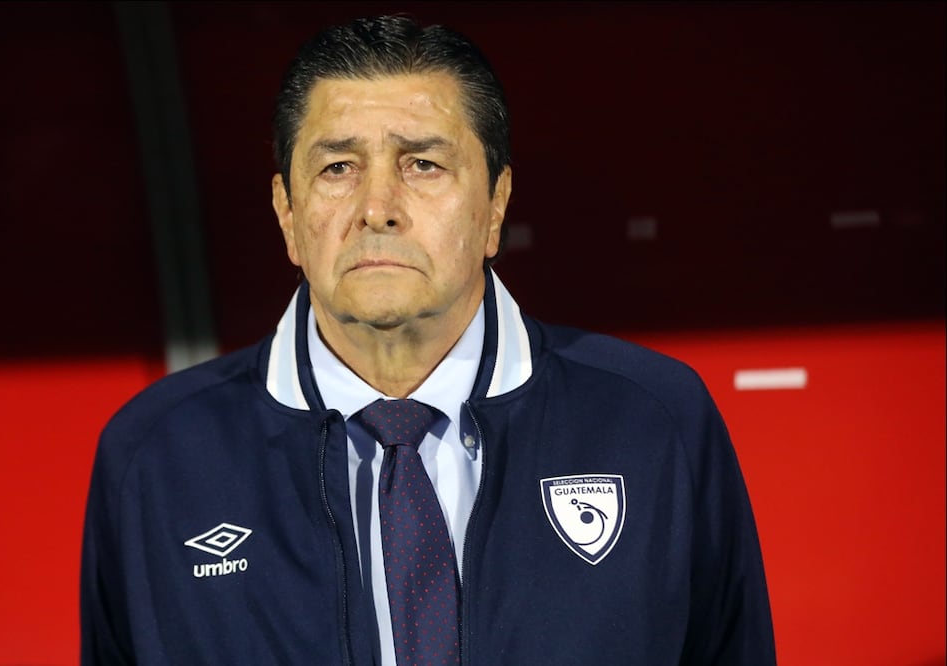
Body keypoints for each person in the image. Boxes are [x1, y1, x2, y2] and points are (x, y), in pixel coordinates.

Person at [80, 14, 776, 665]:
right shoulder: (156, 456)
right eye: (337, 168)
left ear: (495, 204)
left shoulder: (653, 419)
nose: (377, 208)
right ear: (287, 213)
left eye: (423, 165)